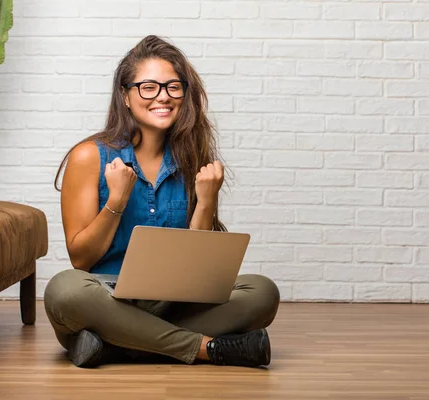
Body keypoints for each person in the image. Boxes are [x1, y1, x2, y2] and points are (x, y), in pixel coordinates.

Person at [43, 35, 280, 369]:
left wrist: (206, 202)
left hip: (174, 301)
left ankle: (113, 345)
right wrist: (117, 199)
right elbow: (81, 259)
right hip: (106, 297)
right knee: (64, 291)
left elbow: (200, 267)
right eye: (148, 87)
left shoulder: (192, 157)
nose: (163, 97)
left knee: (262, 292)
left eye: (173, 87)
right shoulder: (90, 156)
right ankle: (208, 348)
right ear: (125, 96)